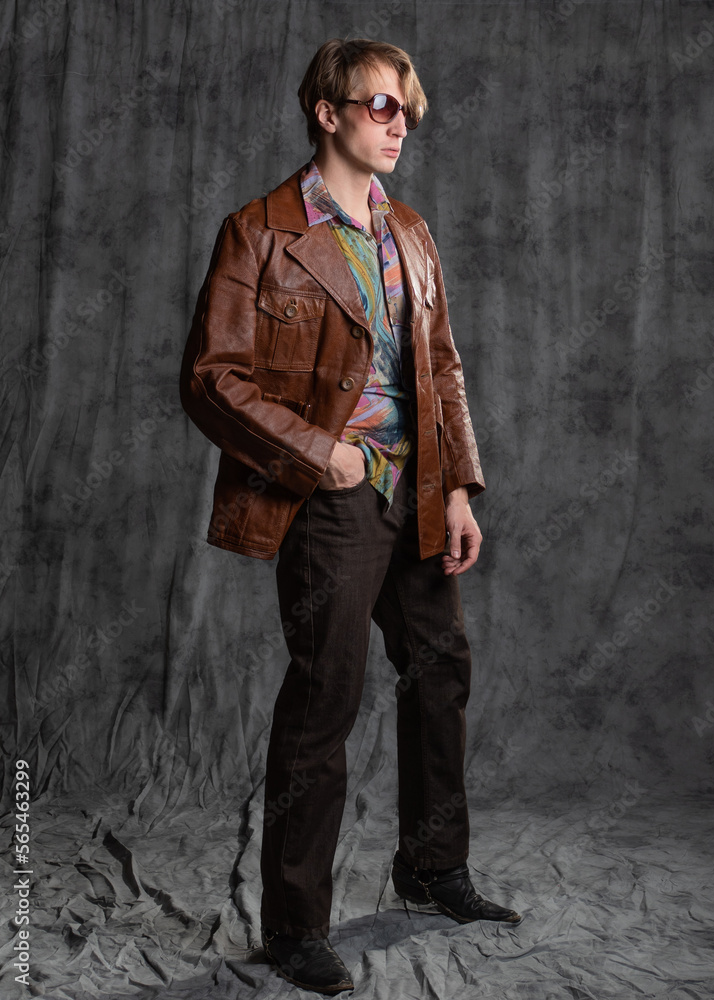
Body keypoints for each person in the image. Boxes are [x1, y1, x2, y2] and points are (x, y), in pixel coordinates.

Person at [180, 36, 521, 996]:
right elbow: (211, 380)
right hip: (329, 497)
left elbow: (440, 368)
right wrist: (318, 452)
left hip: (416, 490)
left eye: (406, 108)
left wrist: (456, 485)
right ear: (326, 113)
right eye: (379, 106)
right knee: (324, 699)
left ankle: (432, 867)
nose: (399, 123)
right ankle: (295, 928)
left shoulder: (411, 231)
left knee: (440, 671)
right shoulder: (259, 232)